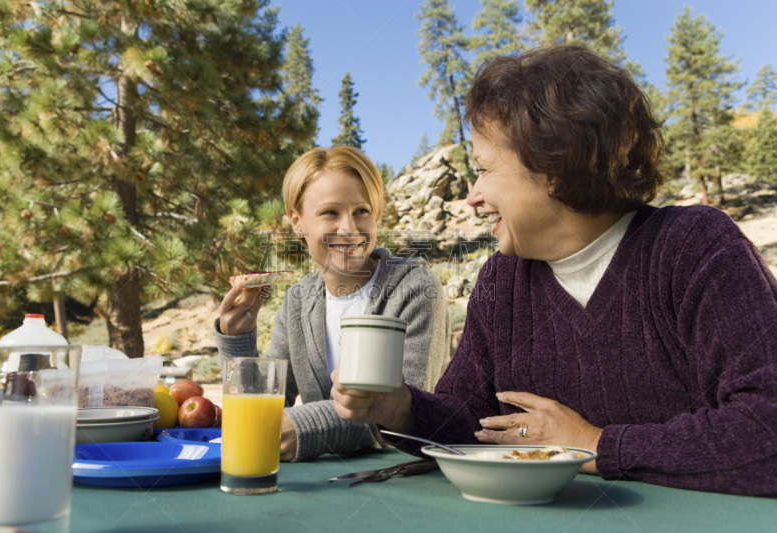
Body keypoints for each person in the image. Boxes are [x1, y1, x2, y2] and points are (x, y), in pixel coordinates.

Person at [331, 45, 777, 496]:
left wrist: (591, 444)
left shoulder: (692, 247)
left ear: (554, 168)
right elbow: (473, 423)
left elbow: (766, 428)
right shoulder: (502, 280)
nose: (473, 196)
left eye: (484, 169)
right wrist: (400, 409)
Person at [215, 145, 450, 462]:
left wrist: (308, 427)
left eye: (361, 212)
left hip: (404, 479)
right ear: (298, 222)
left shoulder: (415, 289)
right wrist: (236, 340)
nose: (349, 229)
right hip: (322, 487)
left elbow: (407, 413)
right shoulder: (298, 302)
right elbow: (264, 407)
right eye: (330, 213)